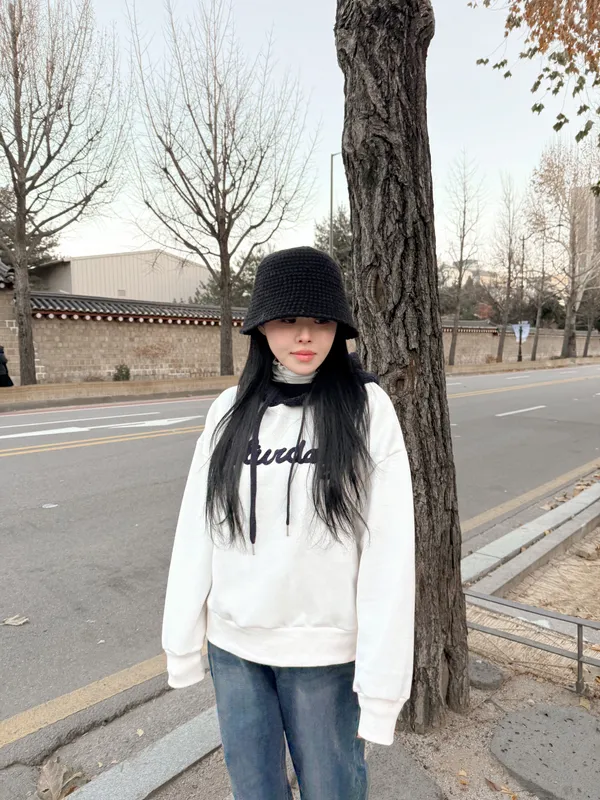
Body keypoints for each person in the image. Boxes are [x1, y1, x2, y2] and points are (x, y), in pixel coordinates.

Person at [162, 247, 415, 800]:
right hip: (235, 648)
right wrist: (181, 641)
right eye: (287, 320)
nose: (305, 336)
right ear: (261, 326)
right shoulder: (229, 409)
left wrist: (380, 691)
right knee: (253, 789)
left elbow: (390, 554)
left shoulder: (366, 409)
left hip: (324, 654)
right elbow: (198, 527)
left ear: (339, 326)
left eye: (321, 320)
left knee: (332, 788)